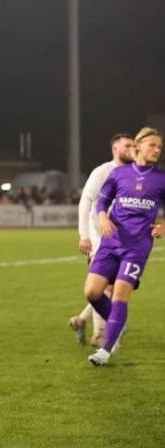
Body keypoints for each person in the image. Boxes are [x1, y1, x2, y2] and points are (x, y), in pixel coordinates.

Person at [84, 127, 165, 366]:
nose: (157, 150)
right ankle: (117, 325)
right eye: (152, 145)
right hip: (111, 243)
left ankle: (106, 350)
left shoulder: (161, 178)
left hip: (137, 246)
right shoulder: (119, 174)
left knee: (120, 293)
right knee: (92, 292)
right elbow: (103, 200)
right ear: (138, 146)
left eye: (159, 147)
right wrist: (102, 217)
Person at [69, 133, 134, 347]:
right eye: (127, 145)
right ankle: (99, 336)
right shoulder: (102, 171)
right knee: (106, 288)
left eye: (134, 145)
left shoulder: (132, 174)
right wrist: (84, 235)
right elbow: (85, 203)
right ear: (115, 149)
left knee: (114, 289)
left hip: (121, 240)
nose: (132, 148)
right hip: (99, 238)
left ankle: (81, 320)